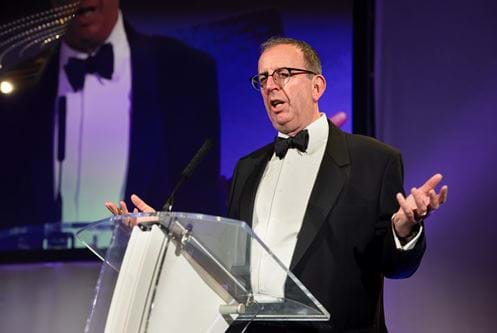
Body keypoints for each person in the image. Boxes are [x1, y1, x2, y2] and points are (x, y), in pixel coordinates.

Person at [106, 37, 447, 332]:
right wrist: (164, 232)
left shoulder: (374, 160)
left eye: (284, 74)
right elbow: (230, 270)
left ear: (318, 86)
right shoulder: (248, 168)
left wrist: (404, 229)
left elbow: (395, 266)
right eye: (263, 78)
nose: (271, 85)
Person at [0, 0, 221, 229]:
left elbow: (202, 203)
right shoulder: (20, 92)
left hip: (144, 261)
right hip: (39, 264)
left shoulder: (188, 69)